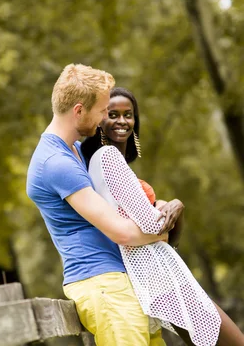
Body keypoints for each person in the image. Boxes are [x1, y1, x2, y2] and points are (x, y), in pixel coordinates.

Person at [26, 64, 179, 345]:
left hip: (117, 280)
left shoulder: (72, 150)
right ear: (79, 110)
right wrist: (164, 232)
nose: (102, 121)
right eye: (101, 112)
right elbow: (121, 232)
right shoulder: (56, 163)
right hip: (102, 285)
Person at [81, 87, 244, 346]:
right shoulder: (108, 156)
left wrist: (166, 208)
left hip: (160, 274)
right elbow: (152, 225)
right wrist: (175, 205)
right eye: (112, 114)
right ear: (99, 119)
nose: (122, 121)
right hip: (157, 276)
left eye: (128, 114)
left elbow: (164, 234)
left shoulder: (107, 162)